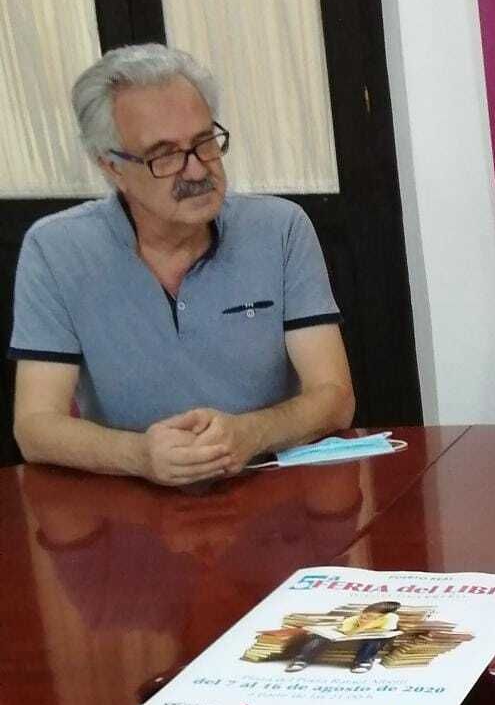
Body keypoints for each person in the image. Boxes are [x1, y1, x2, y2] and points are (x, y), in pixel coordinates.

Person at [9, 45, 355, 484]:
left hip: (267, 483)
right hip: (129, 498)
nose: (196, 171)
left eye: (205, 142)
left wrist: (251, 433)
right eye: (165, 155)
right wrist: (140, 456)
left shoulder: (280, 228)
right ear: (111, 167)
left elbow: (334, 396)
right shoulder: (55, 249)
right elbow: (35, 426)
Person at [283, 601, 403, 675]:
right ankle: (302, 659)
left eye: (370, 617)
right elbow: (348, 633)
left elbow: (387, 629)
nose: (363, 618)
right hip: (347, 639)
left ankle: (363, 661)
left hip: (369, 639)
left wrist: (367, 625)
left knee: (374, 640)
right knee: (319, 638)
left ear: (383, 617)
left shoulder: (390, 617)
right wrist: (364, 624)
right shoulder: (352, 620)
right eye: (363, 615)